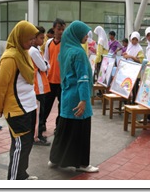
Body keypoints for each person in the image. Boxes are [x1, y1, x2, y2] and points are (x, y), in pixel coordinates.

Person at [48, 20, 99, 173]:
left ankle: (55, 159)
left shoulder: (66, 50)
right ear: (76, 34)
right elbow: (83, 78)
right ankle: (83, 164)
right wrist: (84, 100)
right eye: (84, 33)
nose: (86, 36)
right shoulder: (78, 52)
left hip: (67, 96)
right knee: (81, 131)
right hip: (78, 97)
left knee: (64, 129)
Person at [0, 20, 39, 180]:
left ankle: (21, 174)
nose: (32, 42)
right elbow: (0, 86)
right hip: (16, 110)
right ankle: (13, 181)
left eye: (33, 39)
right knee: (20, 146)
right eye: (29, 39)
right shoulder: (10, 58)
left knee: (26, 144)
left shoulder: (24, 54)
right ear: (19, 37)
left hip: (29, 107)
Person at [29, 26, 51, 146]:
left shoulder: (36, 50)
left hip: (40, 84)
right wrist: (46, 64)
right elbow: (44, 66)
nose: (42, 40)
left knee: (40, 112)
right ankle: (36, 137)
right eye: (41, 38)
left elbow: (46, 64)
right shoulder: (33, 51)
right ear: (34, 38)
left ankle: (37, 135)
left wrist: (46, 64)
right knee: (38, 114)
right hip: (38, 86)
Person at [43, 18, 66, 132]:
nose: (61, 31)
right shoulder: (48, 43)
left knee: (61, 106)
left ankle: (59, 127)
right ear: (53, 29)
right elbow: (46, 58)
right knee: (46, 105)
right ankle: (42, 124)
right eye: (59, 29)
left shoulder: (66, 43)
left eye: (63, 29)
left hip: (62, 81)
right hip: (50, 80)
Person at [122, 31, 144, 104]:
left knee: (135, 88)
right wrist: (125, 55)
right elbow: (127, 56)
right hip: (129, 69)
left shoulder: (139, 49)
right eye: (133, 39)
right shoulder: (129, 46)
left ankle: (134, 102)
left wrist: (131, 56)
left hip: (136, 71)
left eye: (136, 39)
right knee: (128, 86)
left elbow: (140, 60)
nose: (134, 41)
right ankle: (127, 101)